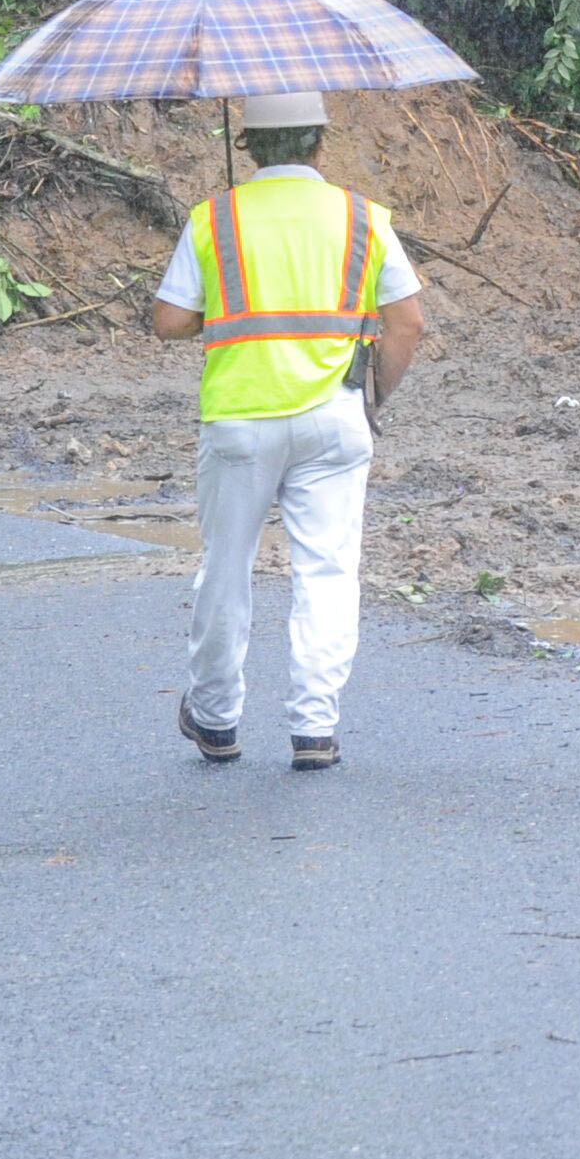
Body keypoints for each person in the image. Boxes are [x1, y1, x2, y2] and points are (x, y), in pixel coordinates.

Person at [145, 92, 428, 771]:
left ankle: (215, 720)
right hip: (335, 418)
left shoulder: (215, 219)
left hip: (242, 419)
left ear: (248, 148)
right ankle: (314, 730)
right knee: (328, 571)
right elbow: (409, 323)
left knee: (226, 568)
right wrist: (372, 396)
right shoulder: (363, 218)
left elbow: (168, 320)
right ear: (319, 145)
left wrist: (224, 295)